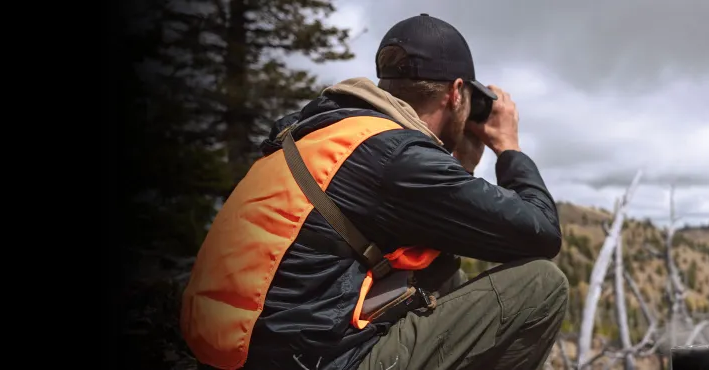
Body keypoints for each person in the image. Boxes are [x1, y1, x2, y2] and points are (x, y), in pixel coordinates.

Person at [180, 13, 568, 370]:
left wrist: (460, 162)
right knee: (542, 284)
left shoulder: (321, 132)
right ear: (455, 93)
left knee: (437, 267)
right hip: (314, 361)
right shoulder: (395, 157)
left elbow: (429, 239)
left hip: (245, 355)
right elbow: (542, 233)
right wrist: (509, 147)